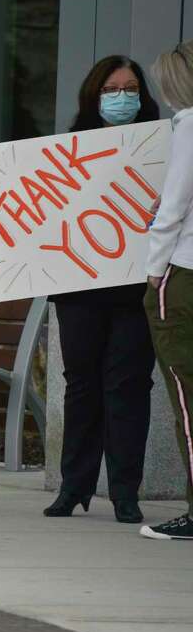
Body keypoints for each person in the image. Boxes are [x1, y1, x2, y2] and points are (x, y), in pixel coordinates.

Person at [0, 55, 159, 524]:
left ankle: (125, 492)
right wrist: (1, 224)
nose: (123, 97)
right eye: (112, 88)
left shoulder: (164, 147)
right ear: (94, 95)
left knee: (129, 387)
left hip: (138, 288)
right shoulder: (66, 151)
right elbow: (32, 207)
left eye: (131, 87)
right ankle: (73, 487)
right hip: (79, 290)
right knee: (81, 387)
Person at [141, 41, 193, 541]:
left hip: (184, 275)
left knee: (186, 394)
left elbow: (172, 207)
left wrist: (154, 270)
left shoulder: (189, 126)